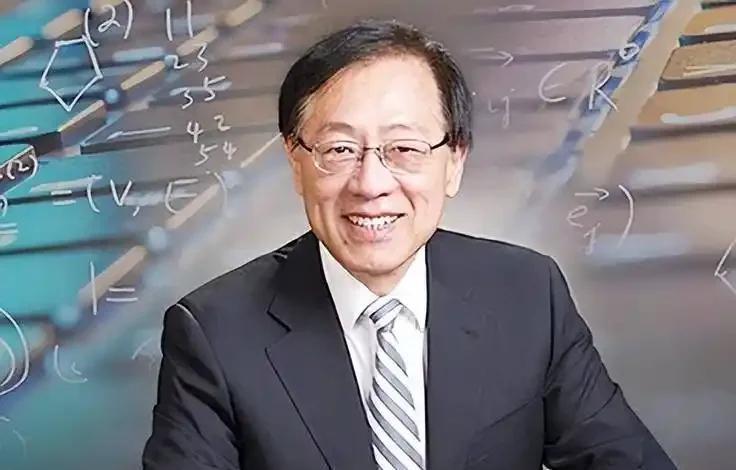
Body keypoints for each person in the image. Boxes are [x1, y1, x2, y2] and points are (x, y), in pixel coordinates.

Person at [142, 18, 677, 470]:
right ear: (296, 162)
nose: (371, 183)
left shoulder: (529, 293)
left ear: (454, 162)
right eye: (339, 149)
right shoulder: (213, 335)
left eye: (404, 148)